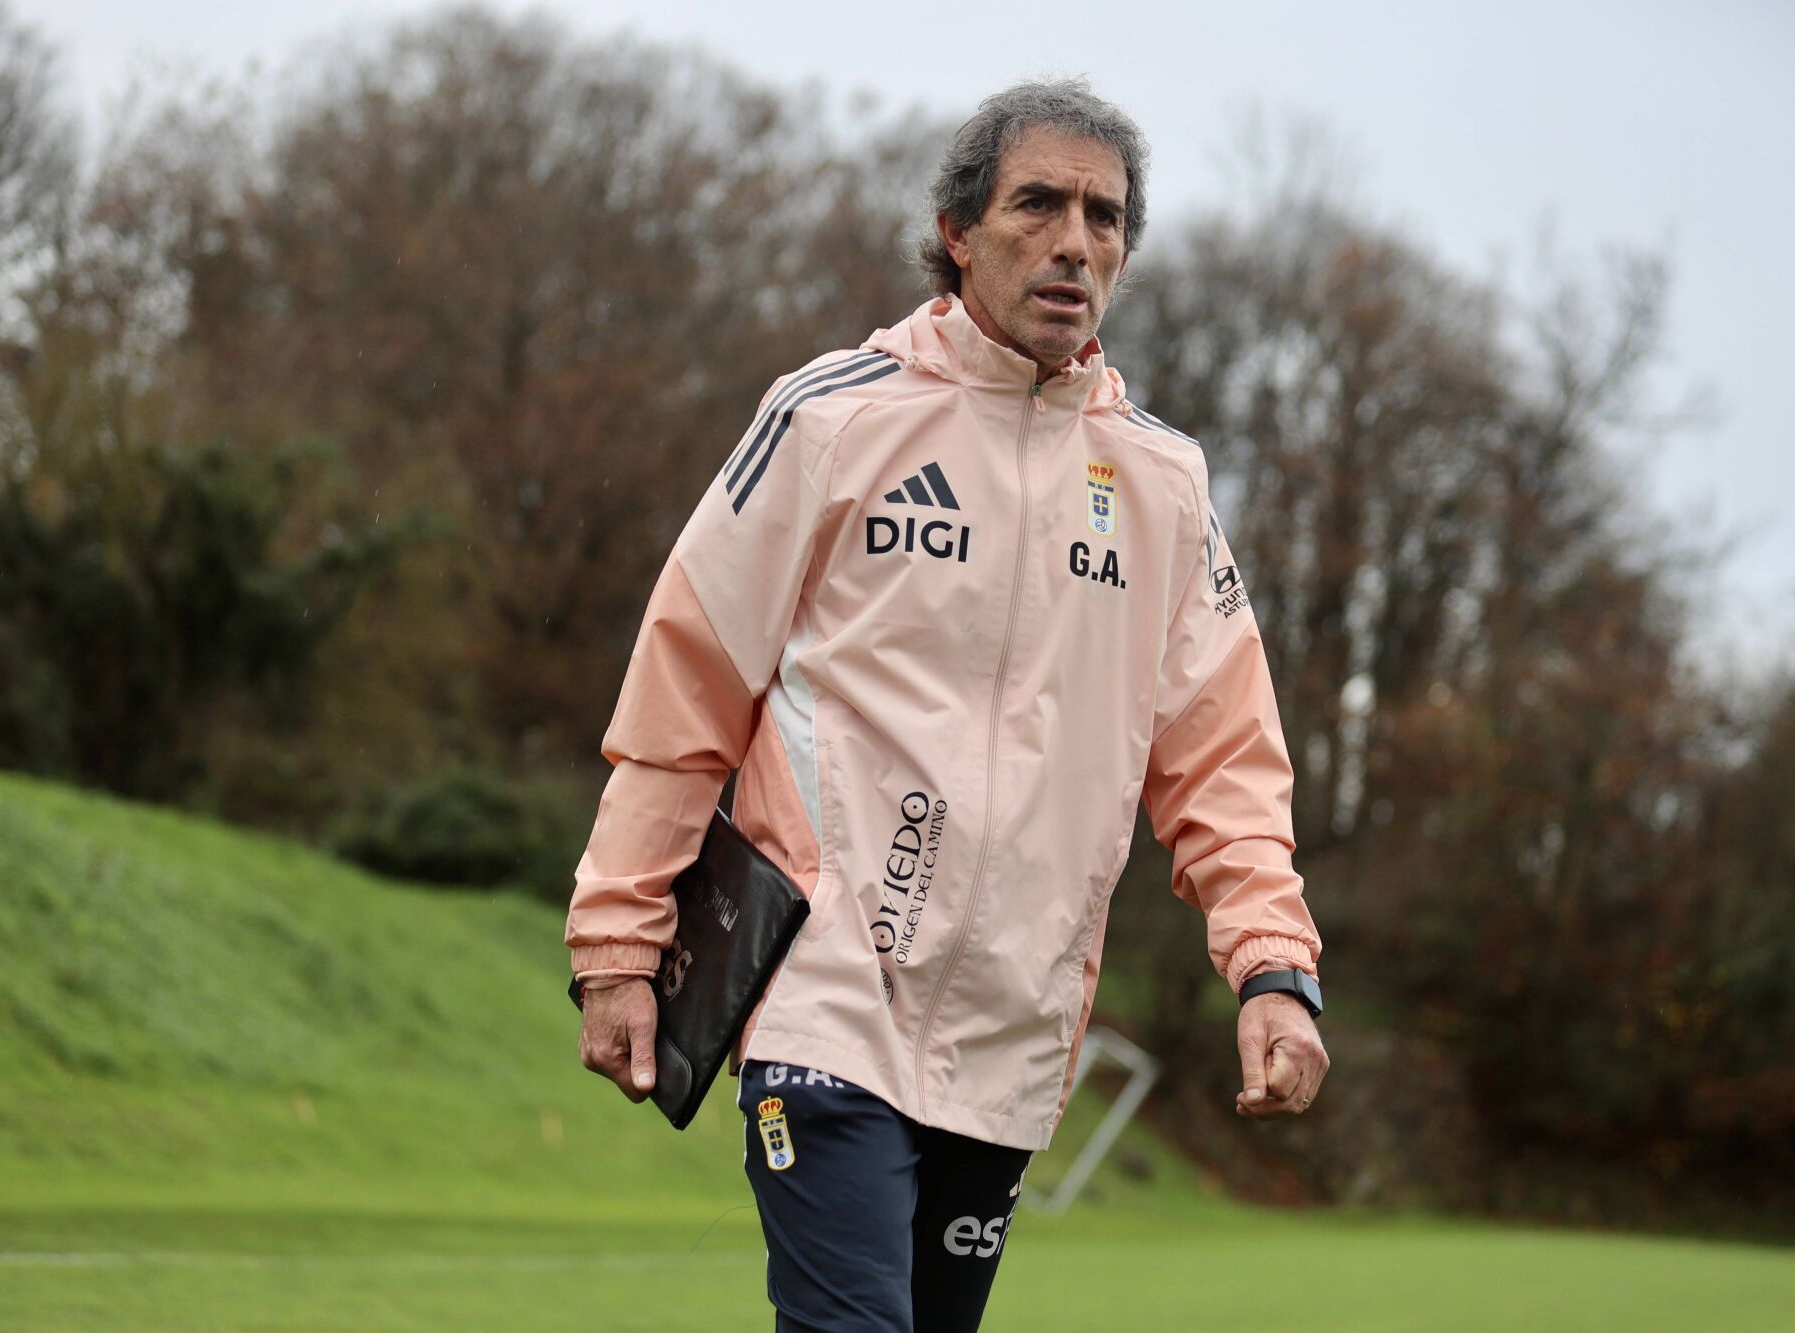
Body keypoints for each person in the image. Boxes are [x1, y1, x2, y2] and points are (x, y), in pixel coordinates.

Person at [567, 78, 1327, 1332]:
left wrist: (1272, 969)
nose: (1075, 240)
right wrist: (617, 942)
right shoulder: (829, 417)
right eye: (1038, 203)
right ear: (957, 230)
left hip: (1013, 1032)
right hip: (823, 995)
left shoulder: (1164, 487)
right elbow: (682, 688)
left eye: (1105, 216)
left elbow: (1227, 766)